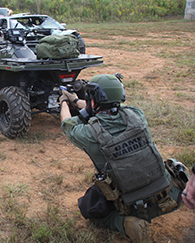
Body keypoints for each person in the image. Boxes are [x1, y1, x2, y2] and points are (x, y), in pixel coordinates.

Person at [59, 74, 184, 243]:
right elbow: (104, 110)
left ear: (93, 101)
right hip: (170, 195)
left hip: (133, 204)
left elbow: (67, 123)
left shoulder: (89, 134)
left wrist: (64, 102)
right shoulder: (136, 114)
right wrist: (76, 100)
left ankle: (126, 223)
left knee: (90, 207)